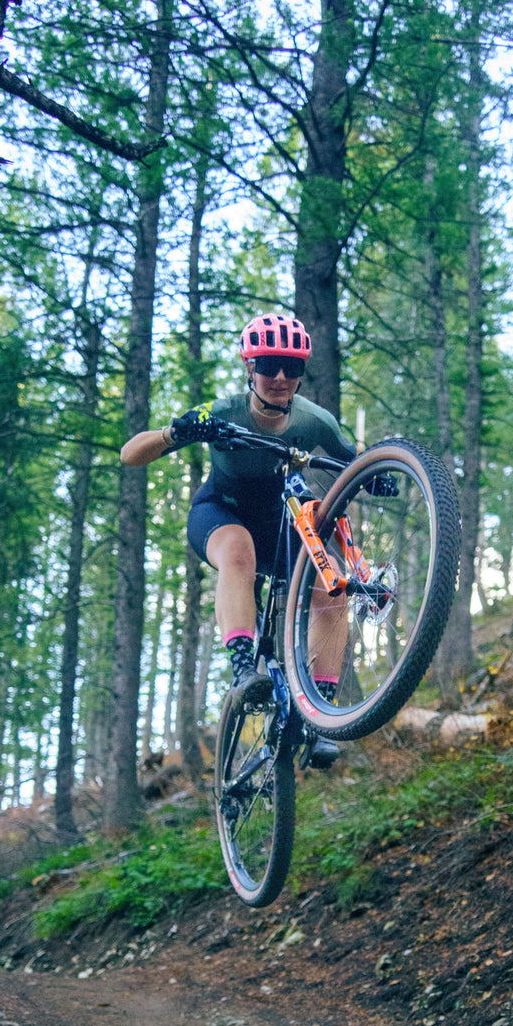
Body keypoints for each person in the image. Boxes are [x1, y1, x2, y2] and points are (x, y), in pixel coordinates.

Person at [120, 313, 356, 767]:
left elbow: (355, 460)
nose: (281, 378)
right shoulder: (222, 411)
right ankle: (245, 668)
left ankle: (319, 714)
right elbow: (131, 454)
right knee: (238, 551)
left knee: (334, 588)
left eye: (293, 367)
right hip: (220, 514)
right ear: (250, 367)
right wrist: (178, 431)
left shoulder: (315, 420)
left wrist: (378, 475)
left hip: (280, 530)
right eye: (269, 364)